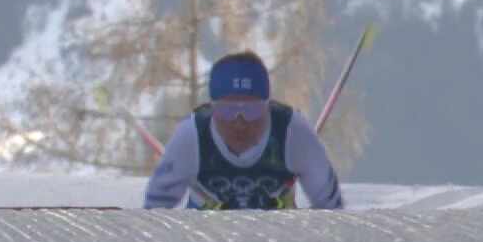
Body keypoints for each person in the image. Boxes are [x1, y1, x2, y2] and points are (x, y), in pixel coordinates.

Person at [143, 50, 346, 210]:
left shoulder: (293, 131)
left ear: (268, 106)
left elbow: (332, 214)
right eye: (228, 110)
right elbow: (153, 219)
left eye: (252, 109)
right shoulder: (192, 135)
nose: (239, 122)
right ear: (212, 107)